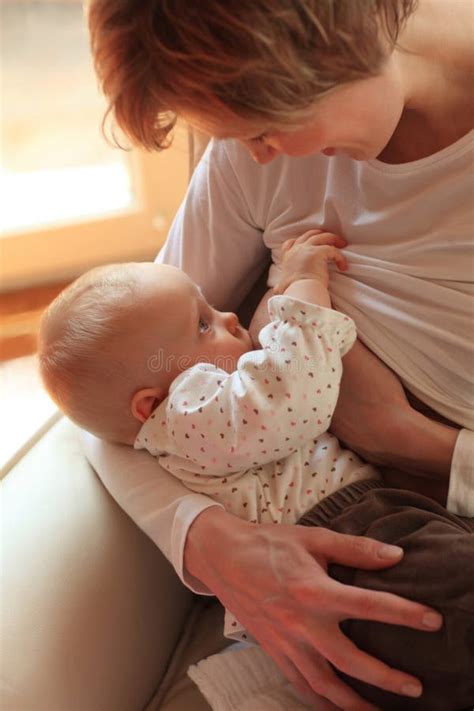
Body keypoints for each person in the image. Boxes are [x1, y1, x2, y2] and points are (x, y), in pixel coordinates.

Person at [84, 1, 474, 709]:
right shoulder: (252, 161)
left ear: (336, 41)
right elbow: (110, 392)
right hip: (364, 541)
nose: (254, 155)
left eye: (264, 129)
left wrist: (406, 438)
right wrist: (209, 541)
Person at [39, 236, 473, 710]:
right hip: (339, 549)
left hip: (366, 533)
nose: (229, 317)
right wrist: (302, 286)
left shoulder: (187, 420)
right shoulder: (188, 418)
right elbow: (291, 396)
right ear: (151, 405)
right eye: (202, 324)